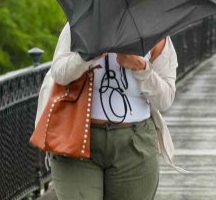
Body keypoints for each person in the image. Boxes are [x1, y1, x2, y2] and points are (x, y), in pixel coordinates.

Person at [35, 23, 183, 200]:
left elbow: (165, 99)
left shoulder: (155, 30)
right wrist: (88, 55)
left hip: (135, 144)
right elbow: (59, 72)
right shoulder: (82, 22)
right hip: (77, 139)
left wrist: (142, 67)